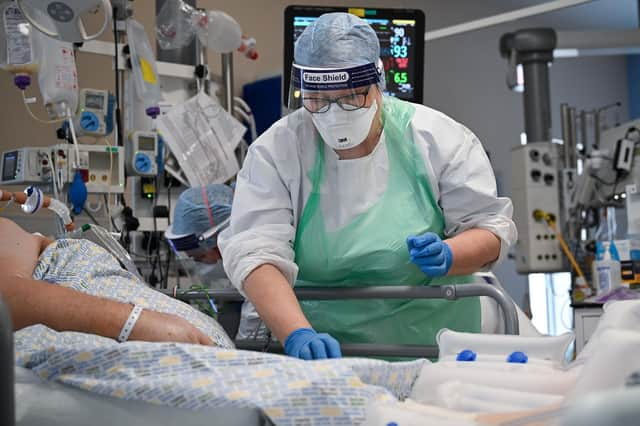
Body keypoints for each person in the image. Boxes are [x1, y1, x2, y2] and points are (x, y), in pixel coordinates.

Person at [219, 13, 517, 360]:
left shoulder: (437, 138)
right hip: (324, 353)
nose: (335, 113)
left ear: (378, 83)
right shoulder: (277, 151)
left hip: (434, 345)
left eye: (351, 97)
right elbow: (256, 253)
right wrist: (297, 334)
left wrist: (452, 254)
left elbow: (489, 230)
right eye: (318, 100)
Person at [0, 217, 232, 347]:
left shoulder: (13, 237)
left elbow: (9, 294)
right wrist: (135, 322)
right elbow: (6, 301)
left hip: (196, 341)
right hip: (173, 342)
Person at [165, 184, 265, 340]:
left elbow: (255, 318)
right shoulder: (237, 252)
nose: (202, 265)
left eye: (201, 257)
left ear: (214, 239)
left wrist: (240, 351)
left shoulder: (254, 253)